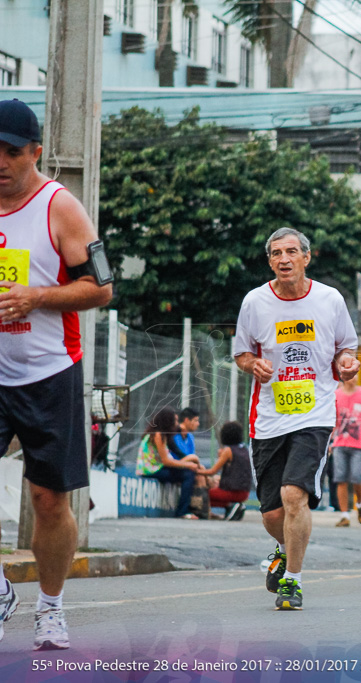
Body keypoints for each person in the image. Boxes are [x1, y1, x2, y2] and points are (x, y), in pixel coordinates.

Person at [0, 99, 113, 649]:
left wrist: (38, 297)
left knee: (49, 500)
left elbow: (102, 286)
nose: (0, 161)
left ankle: (49, 607)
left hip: (49, 371)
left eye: (12, 151)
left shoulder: (59, 207)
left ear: (35, 152)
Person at [233, 227, 359, 611]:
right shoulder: (255, 302)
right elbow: (241, 354)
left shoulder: (329, 299)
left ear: (307, 257)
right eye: (276, 253)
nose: (284, 259)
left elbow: (346, 347)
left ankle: (293, 581)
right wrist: (254, 364)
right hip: (268, 418)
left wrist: (347, 363)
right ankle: (285, 548)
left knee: (293, 496)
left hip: (314, 412)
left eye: (291, 251)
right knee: (272, 512)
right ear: (269, 261)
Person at [136, 407, 202, 519]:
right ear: (168, 421)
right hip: (151, 470)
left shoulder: (163, 435)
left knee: (187, 473)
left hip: (157, 468)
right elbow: (166, 461)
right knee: (188, 475)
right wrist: (188, 465)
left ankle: (188, 510)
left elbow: (174, 455)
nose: (177, 423)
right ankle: (182, 512)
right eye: (175, 420)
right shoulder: (158, 435)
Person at [331, 376, 361, 527]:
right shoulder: (336, 395)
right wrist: (330, 440)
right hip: (339, 443)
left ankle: (360, 504)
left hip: (358, 444)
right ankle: (344, 515)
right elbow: (333, 418)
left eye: (356, 374)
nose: (354, 378)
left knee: (357, 477)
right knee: (340, 479)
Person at [201, 421, 253, 521]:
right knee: (213, 490)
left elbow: (212, 471)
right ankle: (234, 506)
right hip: (245, 491)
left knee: (202, 495)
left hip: (232, 491)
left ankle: (231, 505)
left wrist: (197, 470)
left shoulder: (228, 450)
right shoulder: (244, 449)